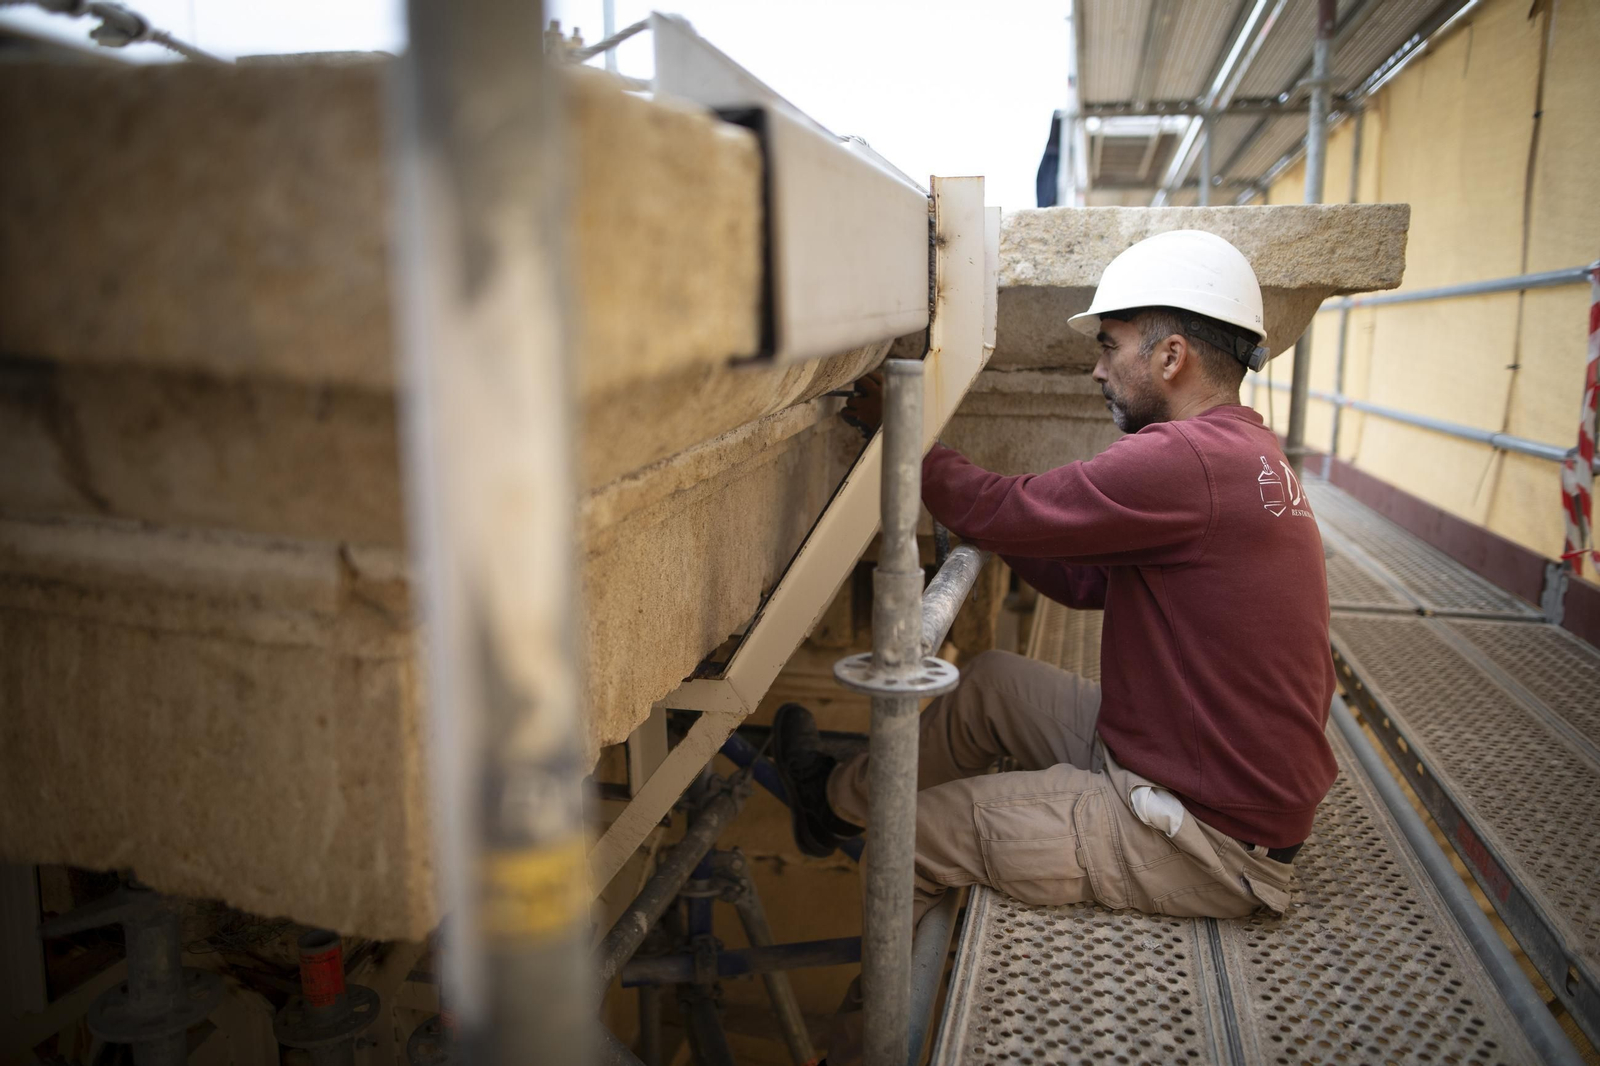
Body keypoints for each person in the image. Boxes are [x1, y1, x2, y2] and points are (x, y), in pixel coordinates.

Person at [774, 230, 1338, 1063]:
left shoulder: (1182, 459)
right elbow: (1081, 579)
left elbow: (1010, 506)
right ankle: (833, 803)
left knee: (912, 843)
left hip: (1206, 837)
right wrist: (1005, 526)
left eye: (1111, 348)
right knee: (991, 682)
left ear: (1172, 353)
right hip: (1194, 765)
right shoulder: (1242, 451)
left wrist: (901, 435)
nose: (1098, 369)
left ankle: (861, 1046)